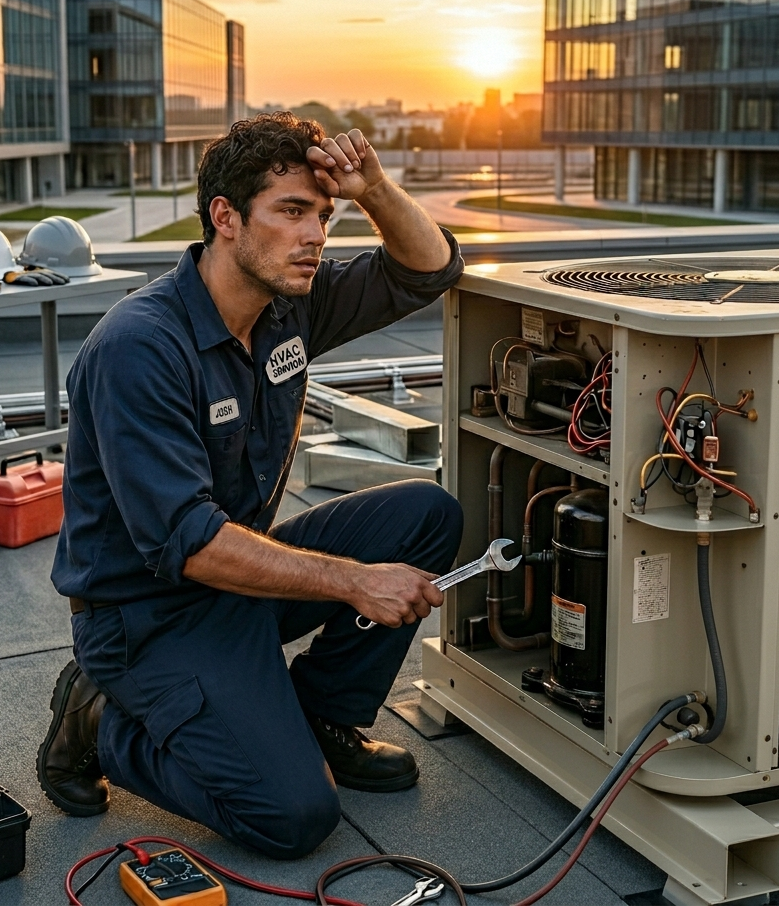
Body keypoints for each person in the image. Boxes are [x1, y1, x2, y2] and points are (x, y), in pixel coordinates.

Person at [37, 113, 464, 859]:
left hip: (239, 583)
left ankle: (320, 715)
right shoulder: (140, 346)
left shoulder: (288, 306)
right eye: (292, 212)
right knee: (292, 818)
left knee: (426, 514)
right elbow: (186, 541)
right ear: (225, 218)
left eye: (323, 216)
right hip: (148, 618)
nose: (316, 236)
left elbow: (427, 270)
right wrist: (355, 583)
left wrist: (371, 190)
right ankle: (101, 723)